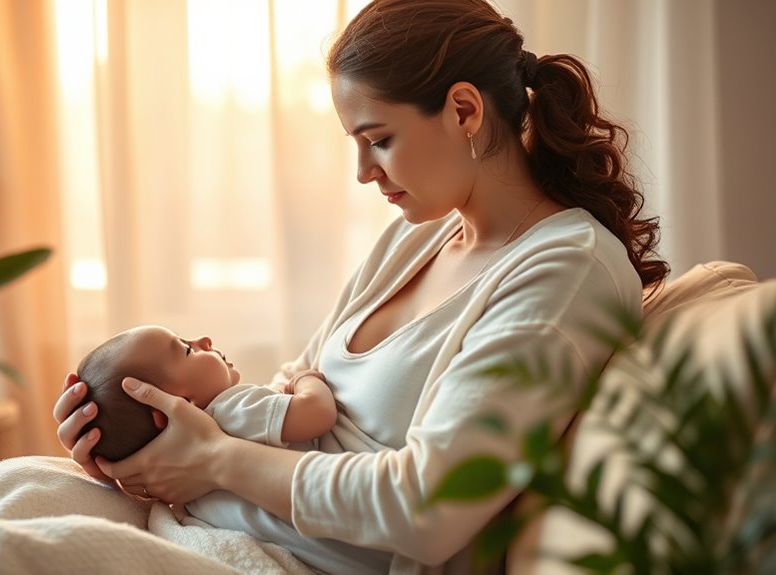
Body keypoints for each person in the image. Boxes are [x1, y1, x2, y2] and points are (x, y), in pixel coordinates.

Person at [53, 0, 668, 572]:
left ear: (464, 111)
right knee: (16, 498)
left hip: (304, 555)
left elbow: (429, 507)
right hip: (234, 525)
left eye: (379, 140)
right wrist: (132, 449)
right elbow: (295, 378)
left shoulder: (565, 268)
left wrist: (213, 459)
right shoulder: (417, 237)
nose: (363, 172)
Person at [74, 325, 340, 462]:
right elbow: (318, 413)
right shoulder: (232, 409)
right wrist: (305, 379)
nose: (204, 340)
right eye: (187, 349)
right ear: (176, 406)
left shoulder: (178, 468)